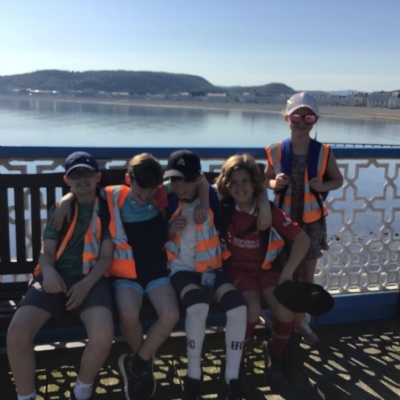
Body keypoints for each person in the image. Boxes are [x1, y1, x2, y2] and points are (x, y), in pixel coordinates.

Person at [53, 153, 182, 400]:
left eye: (151, 189)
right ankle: (143, 366)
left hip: (156, 272)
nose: (146, 195)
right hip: (125, 275)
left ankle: (137, 364)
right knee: (128, 316)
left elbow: (200, 182)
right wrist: (67, 199)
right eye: (140, 188)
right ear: (128, 180)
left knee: (171, 315)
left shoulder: (161, 193)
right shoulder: (112, 195)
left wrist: (169, 228)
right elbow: (84, 190)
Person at [7, 151, 115, 400]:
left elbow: (106, 258)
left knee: (102, 334)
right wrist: (49, 272)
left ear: (98, 176)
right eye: (75, 175)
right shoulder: (60, 210)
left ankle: (81, 391)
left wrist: (86, 284)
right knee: (18, 332)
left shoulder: (108, 209)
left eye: (87, 173)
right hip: (54, 277)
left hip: (91, 278)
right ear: (67, 180)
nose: (82, 179)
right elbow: (46, 254)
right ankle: (26, 396)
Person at [215, 153, 310, 386]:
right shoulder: (224, 207)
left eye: (245, 181)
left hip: (267, 269)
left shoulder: (268, 212)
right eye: (234, 182)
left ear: (255, 184)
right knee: (252, 308)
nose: (240, 188)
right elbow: (206, 188)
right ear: (227, 185)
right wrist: (262, 195)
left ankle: (275, 353)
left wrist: (287, 273)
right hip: (238, 270)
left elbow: (302, 240)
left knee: (285, 312)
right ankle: (237, 357)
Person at [164, 150, 247, 400]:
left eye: (186, 180)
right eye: (175, 180)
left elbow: (254, 190)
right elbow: (151, 232)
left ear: (198, 179)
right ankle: (193, 375)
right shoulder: (166, 198)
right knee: (198, 306)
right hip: (181, 272)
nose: (180, 187)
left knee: (238, 308)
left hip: (211, 269)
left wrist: (202, 200)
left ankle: (232, 377)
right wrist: (169, 228)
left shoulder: (211, 197)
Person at [265, 92, 343, 345]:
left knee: (307, 273)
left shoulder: (324, 152)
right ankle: (282, 319)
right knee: (281, 270)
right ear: (286, 118)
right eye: (296, 117)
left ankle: (302, 321)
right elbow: (265, 179)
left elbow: (337, 179)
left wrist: (324, 185)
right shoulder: (275, 150)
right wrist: (274, 182)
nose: (301, 122)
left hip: (311, 222)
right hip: (283, 221)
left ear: (315, 120)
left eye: (308, 118)